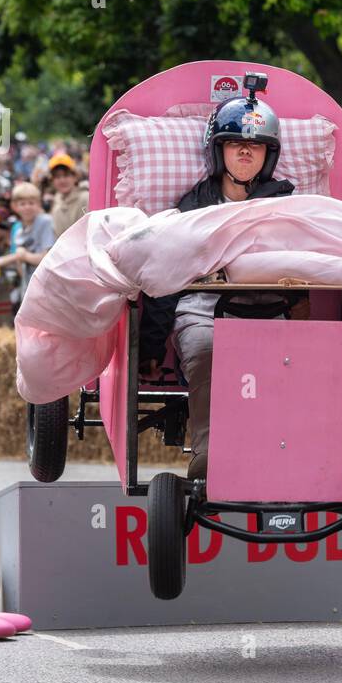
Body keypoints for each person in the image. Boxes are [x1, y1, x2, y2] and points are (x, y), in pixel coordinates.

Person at [138, 89, 307, 479]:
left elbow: (304, 277)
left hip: (270, 313)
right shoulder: (192, 207)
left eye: (256, 146)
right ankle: (208, 452)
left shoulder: (286, 204)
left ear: (269, 155)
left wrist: (302, 325)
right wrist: (151, 343)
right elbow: (168, 276)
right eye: (235, 144)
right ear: (218, 151)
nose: (246, 154)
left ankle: (281, 457)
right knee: (208, 349)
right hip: (203, 314)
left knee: (291, 365)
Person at [0, 181, 56, 303]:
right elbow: (19, 263)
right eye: (22, 204)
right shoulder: (19, 229)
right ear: (15, 206)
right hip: (28, 285)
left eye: (31, 203)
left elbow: (47, 259)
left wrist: (24, 255)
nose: (27, 207)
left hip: (47, 286)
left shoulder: (45, 222)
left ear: (39, 203)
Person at [46, 153, 88, 238]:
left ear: (75, 177)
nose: (62, 180)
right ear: (52, 181)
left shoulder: (86, 198)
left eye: (66, 175)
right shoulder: (56, 200)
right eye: (57, 177)